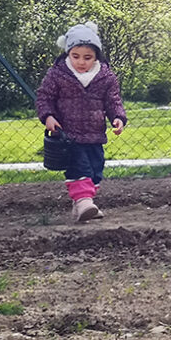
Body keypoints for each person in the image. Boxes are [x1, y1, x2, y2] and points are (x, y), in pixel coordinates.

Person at [36, 22, 127, 222]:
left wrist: (118, 118)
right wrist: (48, 116)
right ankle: (85, 201)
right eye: (75, 56)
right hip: (69, 134)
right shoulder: (58, 74)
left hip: (95, 134)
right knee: (80, 168)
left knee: (95, 171)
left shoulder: (106, 77)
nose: (81, 62)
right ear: (68, 53)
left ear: (97, 56)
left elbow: (113, 101)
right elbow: (44, 97)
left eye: (88, 57)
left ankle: (81, 204)